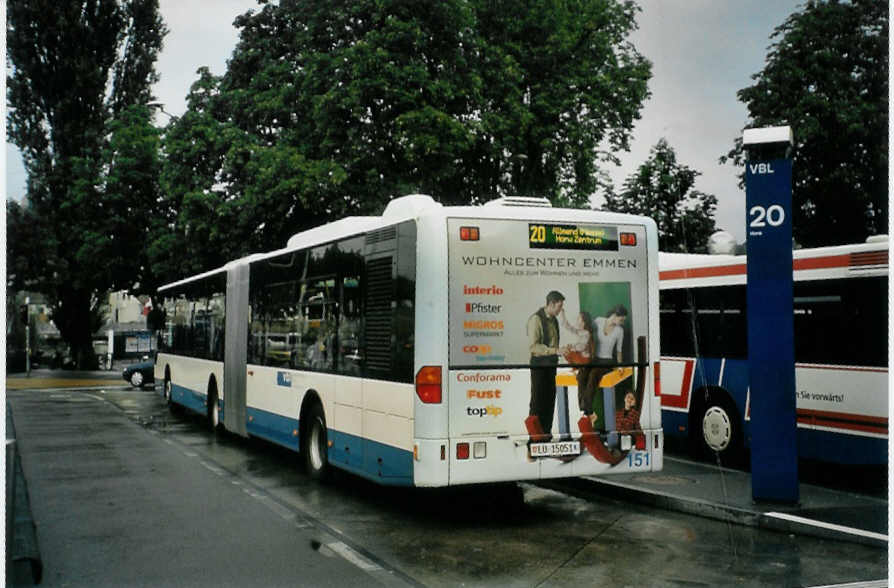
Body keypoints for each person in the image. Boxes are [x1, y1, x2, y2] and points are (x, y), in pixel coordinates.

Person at [525, 291, 564, 440]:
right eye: (559, 306)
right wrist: (555, 351)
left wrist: (561, 351)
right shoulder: (536, 319)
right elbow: (534, 347)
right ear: (551, 304)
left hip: (551, 365)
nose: (561, 310)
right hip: (539, 365)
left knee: (549, 400)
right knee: (537, 401)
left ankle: (546, 435)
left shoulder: (554, 320)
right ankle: (533, 439)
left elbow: (554, 344)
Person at [593, 305, 628, 446]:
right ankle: (596, 430)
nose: (623, 322)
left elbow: (619, 351)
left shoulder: (620, 331)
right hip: (594, 362)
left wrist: (619, 366)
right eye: (622, 319)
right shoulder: (598, 321)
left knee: (607, 397)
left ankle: (609, 431)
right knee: (596, 396)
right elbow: (586, 336)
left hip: (608, 363)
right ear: (615, 314)